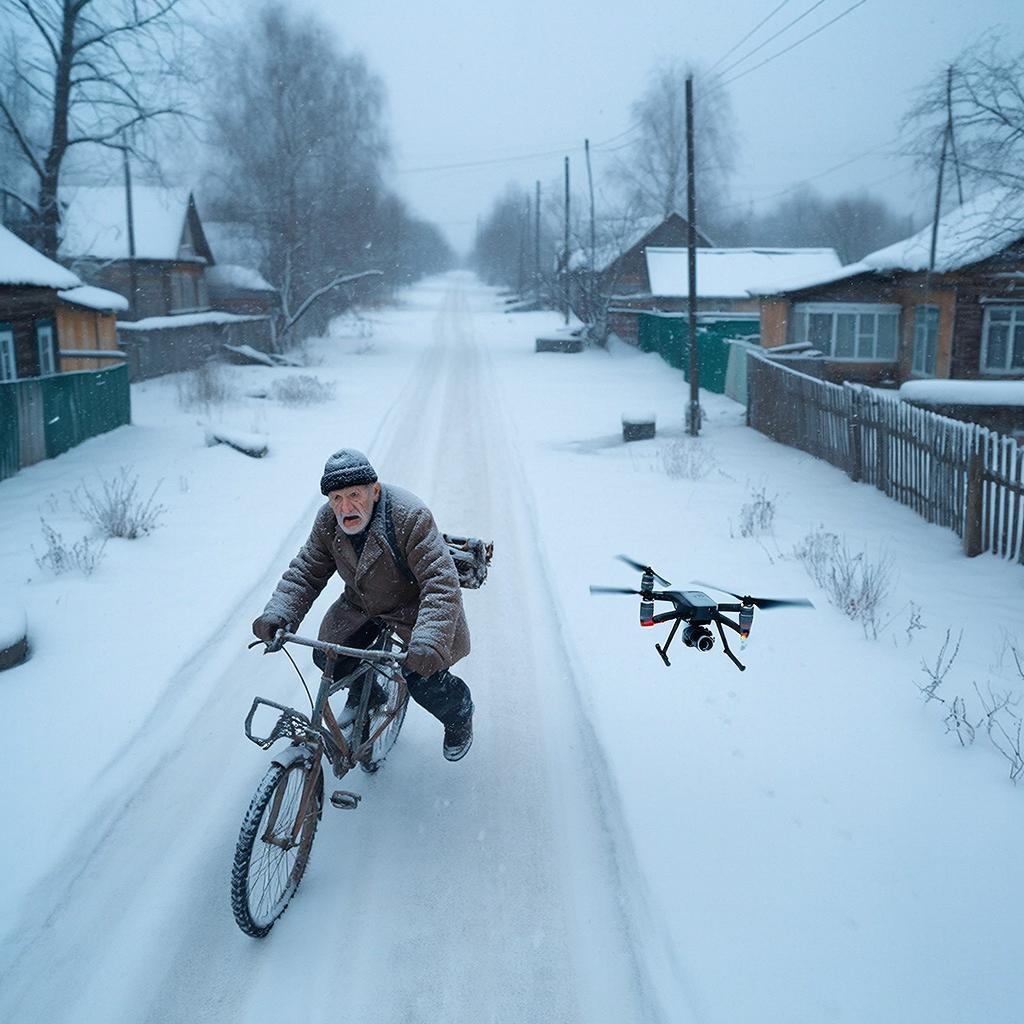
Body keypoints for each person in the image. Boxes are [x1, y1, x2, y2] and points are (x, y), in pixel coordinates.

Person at [252, 448, 474, 761]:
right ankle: (367, 696)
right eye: (336, 498)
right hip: (363, 604)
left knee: (424, 681)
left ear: (375, 491)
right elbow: (306, 570)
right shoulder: (327, 522)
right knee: (330, 655)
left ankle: (459, 714)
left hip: (414, 607)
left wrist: (427, 642)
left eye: (355, 494)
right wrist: (279, 613)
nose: (345, 507)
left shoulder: (409, 515)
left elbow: (440, 582)